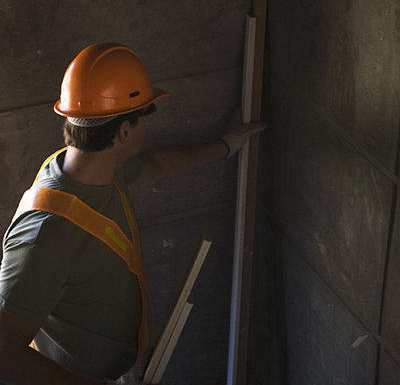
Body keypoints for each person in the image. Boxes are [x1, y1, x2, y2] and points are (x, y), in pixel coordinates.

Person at [0, 42, 265, 385]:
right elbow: (5, 354)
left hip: (121, 367)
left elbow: (154, 163)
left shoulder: (92, 168)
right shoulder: (44, 237)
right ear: (124, 132)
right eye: (143, 117)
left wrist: (225, 146)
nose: (145, 127)